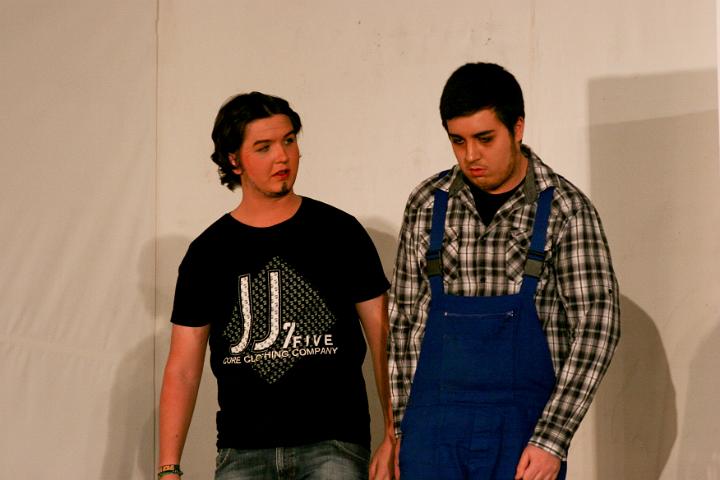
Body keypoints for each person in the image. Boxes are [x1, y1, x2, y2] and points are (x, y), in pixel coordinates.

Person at [388, 63, 620, 480]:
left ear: (517, 128)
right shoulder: (427, 204)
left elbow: (598, 325)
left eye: (485, 139)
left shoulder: (565, 209)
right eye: (457, 141)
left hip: (521, 438)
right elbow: (403, 321)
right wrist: (403, 430)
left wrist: (551, 439)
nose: (470, 155)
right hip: (431, 438)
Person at [158, 92, 395, 480]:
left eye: (289, 140)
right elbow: (183, 368)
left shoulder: (339, 232)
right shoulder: (208, 252)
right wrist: (168, 468)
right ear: (234, 160)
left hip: (333, 444)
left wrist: (393, 433)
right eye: (264, 147)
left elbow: (385, 339)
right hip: (242, 451)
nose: (282, 157)